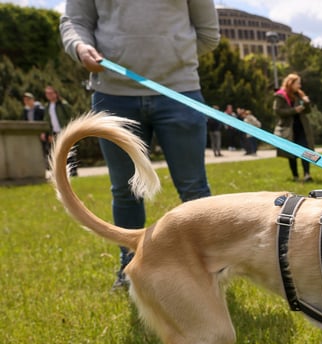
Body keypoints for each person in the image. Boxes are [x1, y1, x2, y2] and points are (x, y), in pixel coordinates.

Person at [59, 0, 220, 289]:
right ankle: (130, 267)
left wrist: (171, 57)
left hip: (179, 91)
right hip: (113, 94)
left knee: (194, 187)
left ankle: (211, 267)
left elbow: (209, 35)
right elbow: (75, 22)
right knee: (125, 189)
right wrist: (80, 47)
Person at [274, 73, 314, 182]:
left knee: (305, 151)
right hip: (288, 129)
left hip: (301, 127)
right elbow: (278, 111)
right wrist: (294, 110)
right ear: (290, 83)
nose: (299, 86)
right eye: (298, 83)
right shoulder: (281, 96)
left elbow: (308, 111)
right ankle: (295, 176)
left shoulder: (300, 94)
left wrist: (307, 103)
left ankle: (307, 174)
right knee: (291, 153)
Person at [44, 86, 77, 176]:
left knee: (69, 150)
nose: (49, 95)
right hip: (54, 132)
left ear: (56, 93)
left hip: (65, 130)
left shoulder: (63, 105)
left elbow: (72, 117)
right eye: (47, 93)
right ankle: (61, 172)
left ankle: (73, 170)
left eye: (51, 93)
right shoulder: (47, 107)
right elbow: (47, 121)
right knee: (57, 152)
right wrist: (48, 134)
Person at [21, 92, 48, 160]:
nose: (26, 102)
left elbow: (44, 121)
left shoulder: (40, 109)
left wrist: (43, 132)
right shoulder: (25, 110)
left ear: (32, 100)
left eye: (28, 100)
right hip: (31, 133)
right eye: (25, 100)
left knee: (43, 149)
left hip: (40, 133)